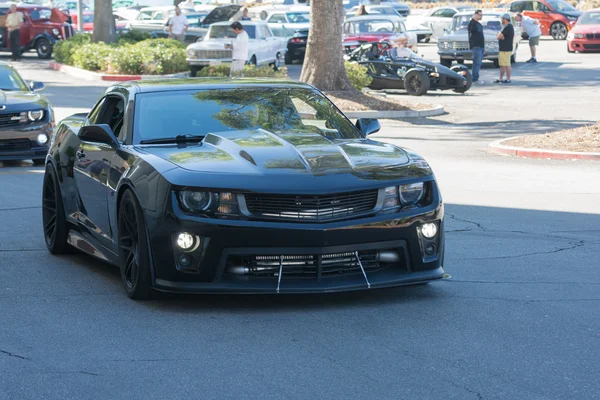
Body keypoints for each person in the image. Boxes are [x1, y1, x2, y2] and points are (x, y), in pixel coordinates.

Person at [495, 14, 514, 84]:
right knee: (502, 65)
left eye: (502, 19)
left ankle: (508, 79)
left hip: (505, 49)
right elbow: (500, 36)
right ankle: (501, 78)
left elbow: (499, 36)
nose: (501, 20)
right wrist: (500, 35)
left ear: (505, 19)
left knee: (507, 65)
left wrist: (500, 35)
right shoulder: (507, 27)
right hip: (503, 49)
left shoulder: (507, 27)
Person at [468, 10, 485, 84]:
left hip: (481, 46)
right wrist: (473, 18)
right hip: (475, 46)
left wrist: (484, 47)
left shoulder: (479, 24)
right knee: (476, 63)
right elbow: (470, 30)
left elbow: (482, 36)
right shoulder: (472, 23)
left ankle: (475, 77)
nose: (481, 16)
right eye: (480, 15)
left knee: (479, 63)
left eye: (482, 15)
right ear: (475, 15)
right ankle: (474, 78)